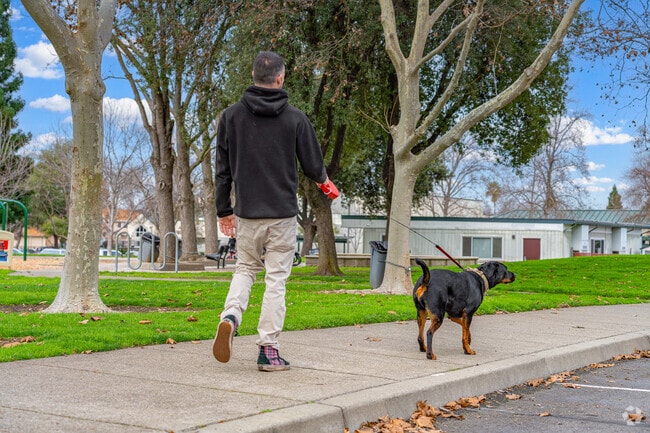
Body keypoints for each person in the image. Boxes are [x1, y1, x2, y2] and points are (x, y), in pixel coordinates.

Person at [213, 51, 339, 371]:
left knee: (245, 269)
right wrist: (326, 184)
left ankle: (231, 315)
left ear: (254, 76)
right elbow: (313, 166)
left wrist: (223, 211)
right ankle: (268, 349)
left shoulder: (230, 117)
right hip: (282, 215)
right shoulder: (295, 118)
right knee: (276, 280)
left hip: (247, 213)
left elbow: (223, 171)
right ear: (280, 78)